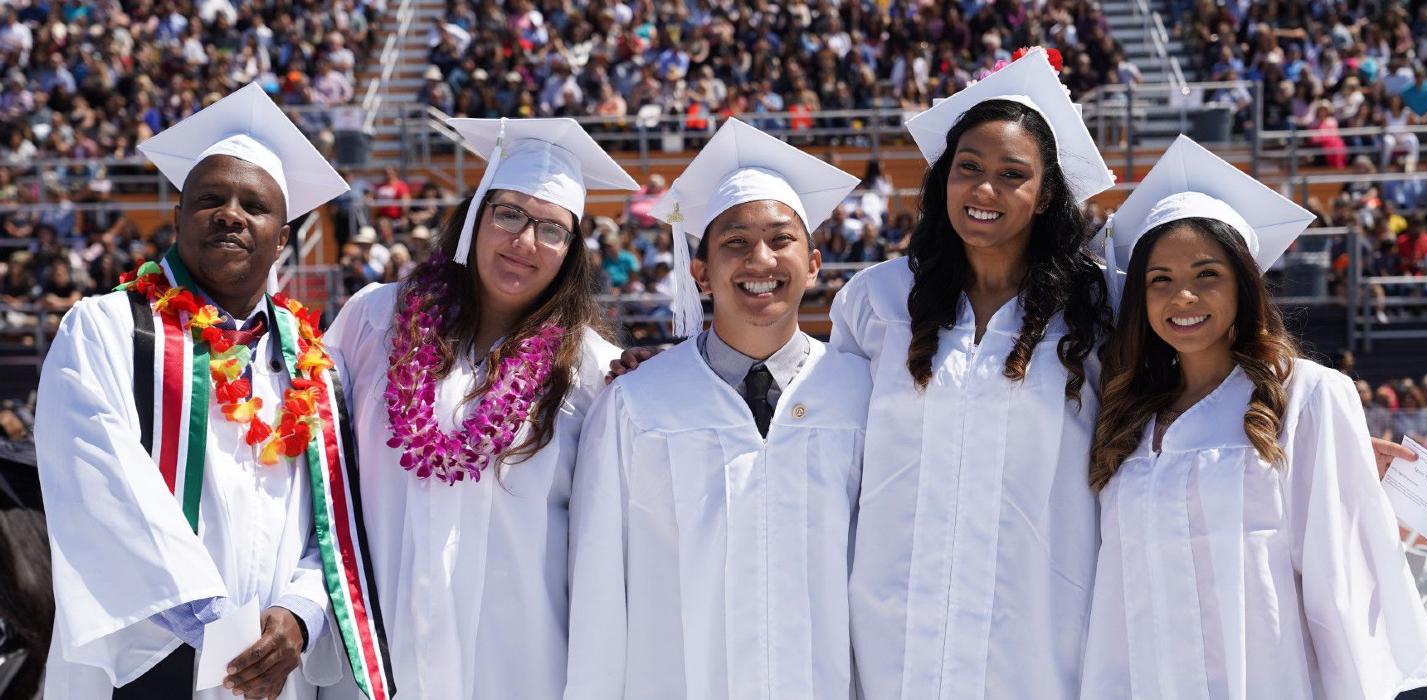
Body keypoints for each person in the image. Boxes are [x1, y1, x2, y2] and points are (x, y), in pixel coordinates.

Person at [34, 83, 393, 699]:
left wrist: (301, 618)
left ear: (283, 239)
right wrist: (222, 631)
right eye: (209, 199)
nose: (230, 213)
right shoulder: (108, 328)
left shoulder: (313, 365)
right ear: (178, 217)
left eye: (254, 205)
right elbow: (103, 488)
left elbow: (333, 518)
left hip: (280, 672)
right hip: (149, 657)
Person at [1083, 135, 1427, 698]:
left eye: (1207, 274)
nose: (1183, 297)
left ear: (1244, 286)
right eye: (1160, 280)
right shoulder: (1125, 414)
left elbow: (1337, 584)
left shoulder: (1308, 396)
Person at [320, 117, 639, 699]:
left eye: (551, 228)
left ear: (570, 253)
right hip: (374, 659)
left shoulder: (594, 372)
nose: (525, 242)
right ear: (474, 217)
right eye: (509, 214)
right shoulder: (376, 320)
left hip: (518, 667)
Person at [832, 48, 1116, 699]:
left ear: (1045, 196)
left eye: (1011, 174)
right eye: (969, 168)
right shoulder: (875, 302)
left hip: (1041, 644)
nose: (984, 189)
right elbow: (818, 442)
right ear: (944, 179)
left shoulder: (1097, 311)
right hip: (891, 638)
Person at [565, 118, 870, 698]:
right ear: (700, 272)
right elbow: (600, 587)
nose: (760, 259)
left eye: (782, 239)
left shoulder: (862, 394)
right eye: (734, 242)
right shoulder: (637, 403)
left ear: (813, 264)